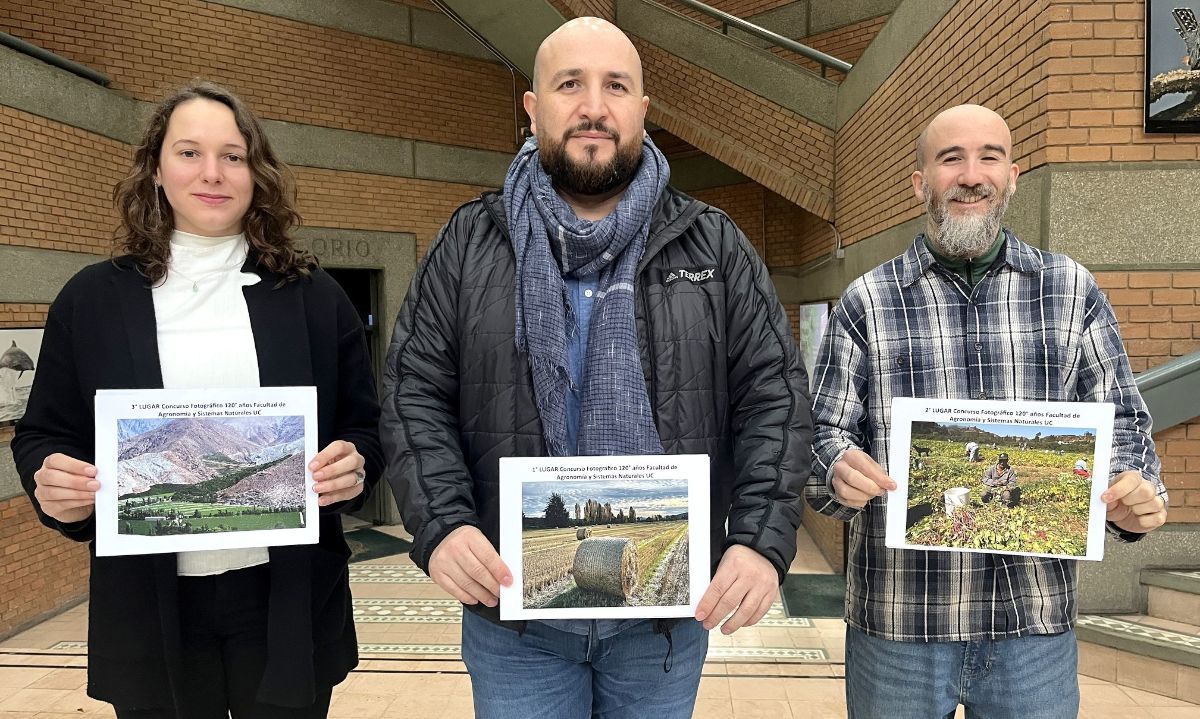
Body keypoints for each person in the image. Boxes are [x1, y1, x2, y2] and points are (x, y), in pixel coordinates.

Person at [380, 17, 810, 719]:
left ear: (643, 108)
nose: (593, 106)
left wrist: (759, 541)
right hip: (512, 624)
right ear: (533, 107)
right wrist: (443, 523)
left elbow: (776, 398)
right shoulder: (469, 242)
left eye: (616, 86)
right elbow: (412, 391)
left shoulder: (715, 243)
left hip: (664, 636)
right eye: (569, 84)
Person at [10, 81, 383, 718]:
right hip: (151, 608)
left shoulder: (313, 298)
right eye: (189, 153)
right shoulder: (93, 301)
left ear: (256, 172)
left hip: (285, 600)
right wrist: (54, 485)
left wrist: (356, 464)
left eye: (232, 156)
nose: (212, 173)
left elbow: (366, 428)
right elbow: (43, 434)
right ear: (156, 170)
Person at [805, 104, 1167, 718]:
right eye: (951, 159)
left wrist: (1132, 496)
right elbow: (820, 438)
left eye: (988, 157)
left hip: (1031, 621)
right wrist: (838, 468)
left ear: (1014, 175)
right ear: (921, 182)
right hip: (900, 622)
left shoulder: (1071, 290)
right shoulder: (867, 300)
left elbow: (1123, 424)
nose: (971, 174)